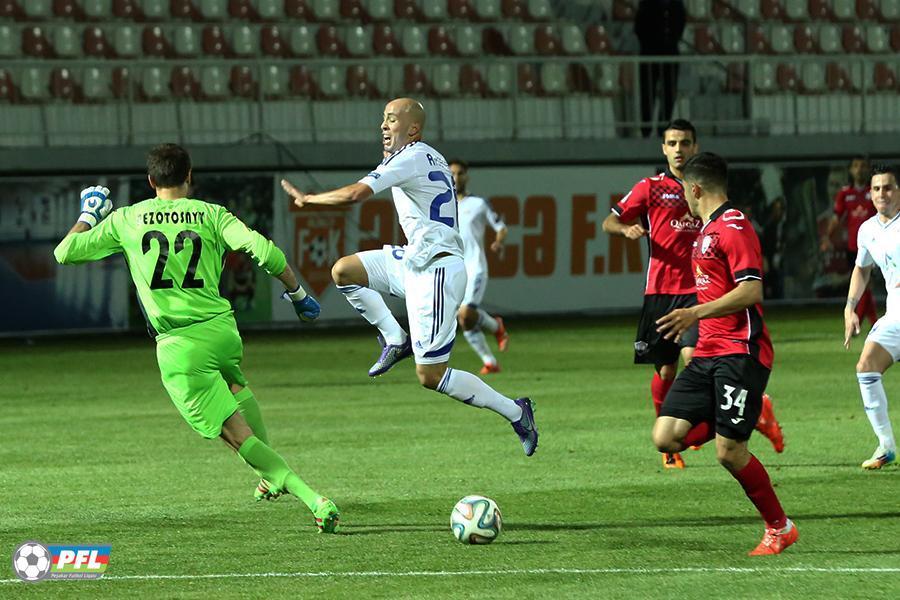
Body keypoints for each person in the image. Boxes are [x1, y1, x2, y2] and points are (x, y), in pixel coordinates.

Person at [53, 144, 340, 533]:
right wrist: (298, 294)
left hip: (180, 346)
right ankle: (268, 476)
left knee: (235, 436)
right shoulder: (212, 214)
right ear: (189, 176)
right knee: (235, 385)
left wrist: (88, 216)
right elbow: (262, 249)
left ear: (151, 180)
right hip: (222, 331)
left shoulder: (127, 219)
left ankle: (313, 499)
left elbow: (65, 252)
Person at [280, 98, 538, 456]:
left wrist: (309, 200)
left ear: (413, 128)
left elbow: (355, 194)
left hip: (436, 271)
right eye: (383, 119)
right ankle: (395, 338)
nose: (383, 126)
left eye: (391, 119)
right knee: (344, 271)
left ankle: (516, 412)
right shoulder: (427, 156)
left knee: (431, 376)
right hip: (416, 259)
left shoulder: (411, 157)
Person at [603, 120, 783, 470]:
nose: (678, 149)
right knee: (665, 370)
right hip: (660, 290)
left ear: (695, 147)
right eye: (672, 143)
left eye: (685, 142)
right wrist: (625, 229)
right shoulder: (650, 188)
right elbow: (608, 222)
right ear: (663, 148)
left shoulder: (707, 190)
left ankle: (733, 417)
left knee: (693, 359)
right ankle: (681, 438)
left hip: (699, 294)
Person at [655, 152, 797, 556]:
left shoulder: (734, 226)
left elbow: (752, 291)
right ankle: (754, 413)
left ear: (695, 188)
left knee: (729, 452)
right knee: (666, 437)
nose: (684, 196)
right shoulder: (707, 229)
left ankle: (780, 528)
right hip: (707, 352)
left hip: (741, 351)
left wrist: (695, 313)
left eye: (685, 189)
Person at [843, 164, 900, 470]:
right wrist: (850, 306)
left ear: (898, 191)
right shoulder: (868, 230)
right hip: (897, 315)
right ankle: (886, 446)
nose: (882, 194)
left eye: (888, 187)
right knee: (866, 367)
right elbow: (862, 268)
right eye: (876, 188)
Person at [449, 159, 509, 374]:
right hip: (453, 270)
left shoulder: (478, 204)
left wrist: (498, 242)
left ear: (467, 176)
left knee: (466, 314)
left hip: (475, 267)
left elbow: (501, 227)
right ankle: (490, 362)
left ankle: (495, 326)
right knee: (464, 320)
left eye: (460, 173)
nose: (456, 178)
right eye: (452, 174)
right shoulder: (442, 206)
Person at [822, 156, 878, 327]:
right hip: (853, 247)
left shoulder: (875, 191)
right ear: (851, 170)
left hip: (874, 245)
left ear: (868, 169)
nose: (859, 169)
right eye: (856, 166)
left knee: (865, 284)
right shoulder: (845, 193)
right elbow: (836, 218)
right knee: (864, 285)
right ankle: (872, 322)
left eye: (863, 166)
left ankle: (858, 321)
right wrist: (827, 237)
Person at [634, 0, 686, 137]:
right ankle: (646, 128)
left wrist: (672, 38)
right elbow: (639, 27)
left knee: (669, 93)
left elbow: (680, 21)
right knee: (648, 92)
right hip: (650, 54)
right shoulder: (647, 3)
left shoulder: (676, 3)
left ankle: (663, 127)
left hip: (670, 54)